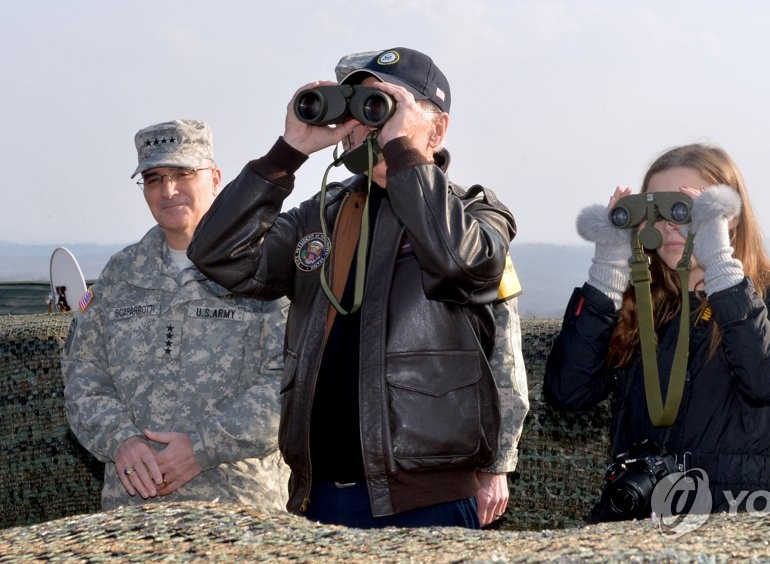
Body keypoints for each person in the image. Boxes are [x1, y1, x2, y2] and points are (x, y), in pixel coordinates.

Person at [187, 47, 520, 529]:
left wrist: (403, 152)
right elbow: (219, 254)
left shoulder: (476, 214)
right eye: (360, 109)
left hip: (427, 500)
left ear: (438, 128)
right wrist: (289, 151)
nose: (370, 126)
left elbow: (460, 264)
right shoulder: (322, 214)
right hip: (322, 496)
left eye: (384, 107)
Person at [544, 144, 770, 519]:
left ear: (730, 217)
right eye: (653, 210)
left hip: (732, 516)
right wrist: (607, 273)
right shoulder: (641, 300)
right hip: (637, 511)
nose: (668, 225)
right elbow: (568, 392)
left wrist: (720, 268)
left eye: (685, 209)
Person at [63, 119, 290, 510]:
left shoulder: (263, 265)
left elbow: (290, 382)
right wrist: (122, 440)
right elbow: (83, 376)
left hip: (237, 505)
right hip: (135, 506)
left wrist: (203, 447)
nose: (168, 191)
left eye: (183, 174)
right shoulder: (121, 275)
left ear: (215, 178)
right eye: (153, 179)